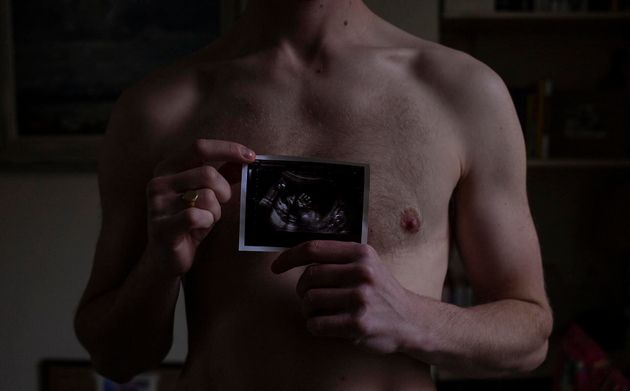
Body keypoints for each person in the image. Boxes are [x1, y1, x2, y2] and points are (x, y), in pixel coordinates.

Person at [74, 0, 553, 390]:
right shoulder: (159, 109)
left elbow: (529, 336)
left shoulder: (464, 93)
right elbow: (114, 358)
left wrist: (412, 319)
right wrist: (159, 265)